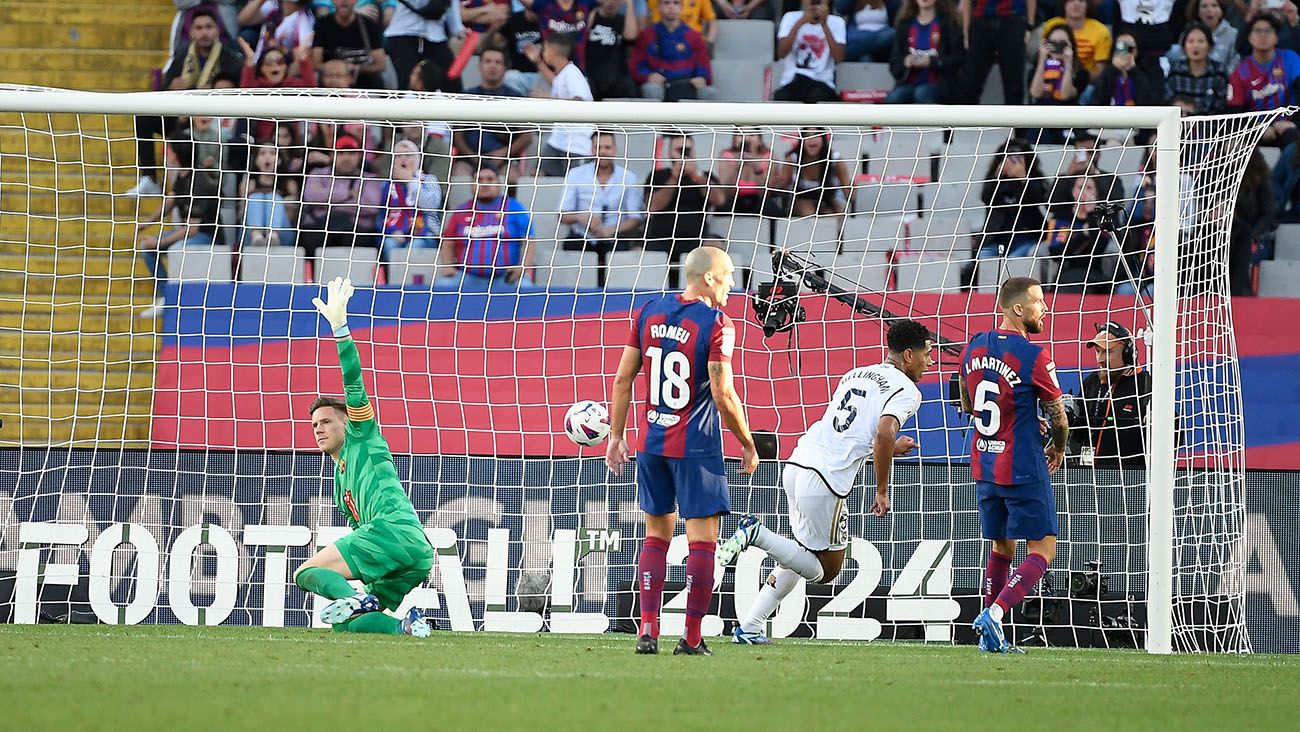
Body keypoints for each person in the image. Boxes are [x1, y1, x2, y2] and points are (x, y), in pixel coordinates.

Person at [717, 319, 932, 645]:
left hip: (798, 463)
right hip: (825, 481)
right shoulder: (907, 391)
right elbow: (884, 432)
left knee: (799, 555)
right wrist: (883, 489)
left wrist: (885, 449)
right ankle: (756, 533)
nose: (930, 362)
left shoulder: (856, 374)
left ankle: (750, 626)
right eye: (927, 354)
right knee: (826, 571)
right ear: (908, 355)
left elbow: (854, 436)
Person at [605, 246, 760, 655]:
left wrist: (615, 437)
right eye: (727, 275)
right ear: (708, 277)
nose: (731, 283)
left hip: (651, 443)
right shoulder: (717, 323)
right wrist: (747, 443)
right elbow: (724, 392)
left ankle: (647, 630)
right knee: (702, 541)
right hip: (695, 446)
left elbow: (623, 380)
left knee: (655, 535)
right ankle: (691, 638)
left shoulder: (648, 311)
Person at [293, 277, 435, 637]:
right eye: (314, 425)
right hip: (415, 554)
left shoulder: (363, 436)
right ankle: (406, 628)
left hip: (391, 532)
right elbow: (358, 525)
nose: (319, 429)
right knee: (346, 624)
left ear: (346, 422)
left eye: (326, 421)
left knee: (305, 573)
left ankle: (357, 599)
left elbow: (353, 381)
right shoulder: (341, 477)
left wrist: (339, 328)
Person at [959, 276, 1069, 653]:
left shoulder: (973, 346)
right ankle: (997, 613)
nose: (1045, 308)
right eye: (1039, 302)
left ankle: (989, 632)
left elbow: (967, 399)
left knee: (1001, 546)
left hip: (984, 464)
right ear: (1018, 309)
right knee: (1043, 550)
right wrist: (1058, 448)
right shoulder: (1034, 356)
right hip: (1021, 465)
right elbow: (1059, 419)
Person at [128, 9, 244, 197]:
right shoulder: (182, 55)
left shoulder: (231, 58)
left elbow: (238, 93)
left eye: (208, 27)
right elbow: (163, 93)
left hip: (216, 122)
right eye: (198, 28)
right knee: (143, 117)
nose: (203, 32)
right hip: (183, 119)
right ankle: (149, 178)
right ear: (191, 32)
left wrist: (211, 91)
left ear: (217, 30)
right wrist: (171, 88)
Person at [136, 140, 220, 318]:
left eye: (170, 151)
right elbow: (171, 200)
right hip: (188, 231)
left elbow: (192, 229)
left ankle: (174, 300)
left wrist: (158, 241)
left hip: (206, 235)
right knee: (146, 247)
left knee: (174, 249)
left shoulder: (200, 182)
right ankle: (167, 296)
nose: (168, 154)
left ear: (178, 154)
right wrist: (148, 223)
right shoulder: (182, 176)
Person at [560, 131, 645, 287]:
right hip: (582, 237)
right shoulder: (576, 174)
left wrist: (611, 230)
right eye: (598, 147)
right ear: (592, 150)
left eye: (607, 147)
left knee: (623, 259)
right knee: (570, 250)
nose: (603, 151)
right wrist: (581, 217)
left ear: (614, 149)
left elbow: (636, 218)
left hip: (615, 239)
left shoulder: (628, 177)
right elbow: (561, 215)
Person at [645, 131, 727, 288]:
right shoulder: (658, 176)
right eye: (679, 150)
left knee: (714, 247)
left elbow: (719, 200)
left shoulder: (705, 177)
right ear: (670, 152)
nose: (683, 155)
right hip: (660, 240)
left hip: (695, 239)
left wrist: (696, 175)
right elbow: (652, 206)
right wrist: (675, 177)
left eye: (687, 150)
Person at [1066, 321, 1151, 470]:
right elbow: (1079, 434)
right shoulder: (1091, 382)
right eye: (1098, 351)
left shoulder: (1146, 385)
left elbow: (1174, 439)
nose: (1100, 359)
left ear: (1128, 354)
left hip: (1133, 479)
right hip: (1089, 477)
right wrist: (1068, 418)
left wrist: (1159, 424)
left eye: (1108, 352)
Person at [438, 165, 537, 290]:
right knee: (443, 286)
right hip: (467, 277)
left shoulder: (514, 208)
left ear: (499, 183)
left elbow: (529, 241)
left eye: (490, 179)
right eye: (479, 180)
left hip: (506, 279)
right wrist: (447, 266)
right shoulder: (461, 211)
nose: (484, 184)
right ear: (472, 184)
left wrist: (522, 267)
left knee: (525, 287)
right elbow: (447, 242)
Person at [298, 133, 384, 259]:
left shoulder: (370, 179)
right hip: (319, 230)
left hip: (356, 233)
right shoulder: (317, 174)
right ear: (333, 155)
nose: (346, 158)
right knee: (311, 235)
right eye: (342, 153)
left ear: (360, 156)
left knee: (358, 236)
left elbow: (371, 206)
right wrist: (348, 194)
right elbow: (310, 196)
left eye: (351, 153)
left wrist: (327, 199)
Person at [455, 49, 534, 180]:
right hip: (469, 161)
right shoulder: (467, 96)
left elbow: (526, 136)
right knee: (458, 177)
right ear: (479, 66)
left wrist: (503, 154)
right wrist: (473, 157)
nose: (492, 66)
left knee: (513, 178)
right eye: (488, 61)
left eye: (498, 62)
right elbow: (457, 136)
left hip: (503, 161)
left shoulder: (515, 97)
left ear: (504, 68)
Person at [1228, 13, 1300, 146]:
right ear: (1250, 37)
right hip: (1254, 128)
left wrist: (1293, 122)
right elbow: (1234, 111)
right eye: (1258, 31)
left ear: (1276, 37)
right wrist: (1256, 127)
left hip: (1287, 125)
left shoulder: (1291, 59)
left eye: (1268, 31)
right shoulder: (1240, 72)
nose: (1263, 35)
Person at [976, 138, 1048, 259]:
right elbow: (986, 198)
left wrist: (1023, 178)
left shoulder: (1034, 179)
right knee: (984, 256)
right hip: (997, 240)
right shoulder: (995, 181)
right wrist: (997, 177)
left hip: (1026, 238)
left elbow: (1039, 198)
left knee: (1014, 261)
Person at [631, 0, 717, 101]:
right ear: (658, 7)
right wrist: (648, 76)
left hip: (687, 83)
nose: (671, 7)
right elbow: (636, 66)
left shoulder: (694, 37)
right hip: (661, 84)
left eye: (676, 3)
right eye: (666, 3)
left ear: (682, 7)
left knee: (709, 93)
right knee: (652, 89)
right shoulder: (647, 35)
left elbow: (704, 67)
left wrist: (702, 77)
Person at [536, 33, 596, 176]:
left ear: (553, 50)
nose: (543, 53)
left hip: (578, 143)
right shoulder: (563, 74)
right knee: (538, 173)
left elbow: (578, 101)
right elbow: (557, 83)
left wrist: (549, 100)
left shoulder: (573, 73)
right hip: (559, 140)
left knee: (575, 182)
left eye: (544, 49)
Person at [885, 0, 963, 104]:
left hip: (941, 86)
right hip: (909, 85)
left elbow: (958, 58)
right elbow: (894, 63)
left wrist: (931, 62)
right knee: (894, 97)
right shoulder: (904, 24)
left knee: (922, 93)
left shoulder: (949, 23)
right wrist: (905, 62)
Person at [378, 139, 443, 262]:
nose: (403, 159)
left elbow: (431, 206)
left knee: (414, 246)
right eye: (398, 156)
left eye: (408, 155)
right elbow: (381, 216)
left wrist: (411, 182)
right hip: (395, 234)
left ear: (418, 158)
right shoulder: (387, 185)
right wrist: (392, 231)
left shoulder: (429, 180)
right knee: (389, 245)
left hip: (426, 235)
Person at [773, 0, 847, 103]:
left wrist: (824, 24)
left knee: (817, 96)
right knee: (780, 98)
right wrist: (801, 21)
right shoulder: (790, 17)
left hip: (822, 82)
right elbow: (782, 53)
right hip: (792, 81)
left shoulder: (837, 22)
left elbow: (839, 57)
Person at [1026, 23, 1090, 144]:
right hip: (1041, 118)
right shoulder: (1035, 70)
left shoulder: (1081, 72)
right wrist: (1042, 60)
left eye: (1062, 43)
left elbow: (1065, 95)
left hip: (1068, 118)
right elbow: (1035, 93)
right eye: (1053, 43)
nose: (1057, 47)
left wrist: (1068, 63)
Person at [958, 0, 1031, 104]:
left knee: (1014, 83)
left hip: (1012, 18)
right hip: (981, 19)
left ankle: (1013, 119)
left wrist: (1030, 25)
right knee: (970, 82)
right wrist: (966, 29)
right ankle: (967, 119)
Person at [384, 0, 466, 92]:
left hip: (436, 35)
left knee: (451, 80)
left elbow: (451, 7)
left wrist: (459, 30)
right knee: (409, 81)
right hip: (403, 33)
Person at [771, 127, 853, 216]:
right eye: (807, 136)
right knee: (809, 212)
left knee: (838, 213)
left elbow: (847, 190)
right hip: (800, 200)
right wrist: (778, 184)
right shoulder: (793, 159)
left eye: (816, 135)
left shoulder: (835, 160)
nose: (811, 139)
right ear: (802, 140)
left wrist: (852, 191)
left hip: (827, 200)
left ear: (823, 139)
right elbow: (782, 187)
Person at [313, 0, 389, 89]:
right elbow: (316, 63)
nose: (344, 1)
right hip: (331, 84)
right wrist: (337, 68)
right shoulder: (323, 24)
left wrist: (357, 68)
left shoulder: (369, 25)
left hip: (364, 84)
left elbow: (380, 65)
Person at [1164, 21, 1232, 115]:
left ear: (1210, 46)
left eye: (1201, 41)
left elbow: (1222, 106)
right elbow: (1168, 100)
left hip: (1211, 126)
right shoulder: (1176, 70)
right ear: (1184, 46)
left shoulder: (1219, 71)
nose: (1195, 46)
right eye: (1190, 41)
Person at [1082, 33, 1166, 107]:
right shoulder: (1108, 71)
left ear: (1137, 50)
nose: (1125, 52)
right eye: (1121, 47)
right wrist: (1113, 69)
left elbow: (1151, 101)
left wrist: (1133, 70)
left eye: (1130, 48)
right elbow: (1098, 100)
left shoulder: (1150, 69)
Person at [241, 142, 299, 248]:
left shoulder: (290, 184)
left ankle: (273, 236)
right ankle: (257, 236)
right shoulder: (249, 185)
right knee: (256, 197)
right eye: (262, 153)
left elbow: (292, 218)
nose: (267, 157)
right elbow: (243, 214)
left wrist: (282, 203)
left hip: (283, 234)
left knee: (273, 197)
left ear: (279, 160)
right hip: (250, 235)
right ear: (257, 160)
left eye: (272, 153)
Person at [587, 0, 640, 99]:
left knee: (628, 87)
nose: (611, 3)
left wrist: (629, 3)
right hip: (592, 74)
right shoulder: (593, 16)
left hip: (615, 76)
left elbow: (631, 35)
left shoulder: (622, 20)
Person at [1042, 0, 1112, 74]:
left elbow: (1100, 72)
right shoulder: (1050, 26)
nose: (1076, 3)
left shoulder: (1101, 31)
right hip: (1052, 74)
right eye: (1071, 0)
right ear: (1063, 3)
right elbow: (1043, 56)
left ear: (1088, 4)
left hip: (1087, 81)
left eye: (1081, 0)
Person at [715, 128, 775, 215]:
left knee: (770, 207)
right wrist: (737, 167)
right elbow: (726, 192)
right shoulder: (726, 156)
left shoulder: (769, 156)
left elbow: (766, 193)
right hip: (734, 200)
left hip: (759, 201)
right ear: (734, 139)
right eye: (741, 134)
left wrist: (756, 168)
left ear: (760, 139)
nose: (746, 138)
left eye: (751, 135)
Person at [1166, 0, 1238, 70]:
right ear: (1198, 11)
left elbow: (1234, 65)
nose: (1209, 10)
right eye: (1204, 6)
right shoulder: (1188, 32)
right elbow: (1182, 59)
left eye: (1214, 5)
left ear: (1221, 11)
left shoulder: (1233, 34)